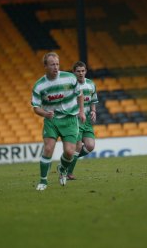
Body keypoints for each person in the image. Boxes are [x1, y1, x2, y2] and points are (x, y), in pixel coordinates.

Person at [31, 52, 86, 191]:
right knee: (48, 148)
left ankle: (62, 169)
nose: (55, 67)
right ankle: (43, 181)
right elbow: (36, 108)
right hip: (52, 120)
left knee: (69, 152)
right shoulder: (39, 85)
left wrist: (81, 111)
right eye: (52, 64)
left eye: (57, 64)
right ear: (45, 66)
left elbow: (80, 94)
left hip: (70, 119)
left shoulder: (70, 78)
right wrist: (45, 113)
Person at [67, 61, 98, 180]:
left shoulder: (91, 84)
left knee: (90, 146)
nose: (81, 73)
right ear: (73, 72)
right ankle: (69, 172)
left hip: (87, 120)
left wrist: (93, 111)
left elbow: (93, 101)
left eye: (82, 71)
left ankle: (66, 161)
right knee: (78, 147)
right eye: (78, 71)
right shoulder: (70, 87)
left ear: (86, 71)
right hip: (75, 120)